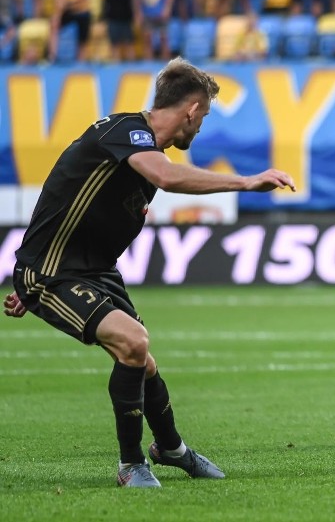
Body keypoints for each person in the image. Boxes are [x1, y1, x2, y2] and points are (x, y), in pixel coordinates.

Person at [2, 58, 296, 488]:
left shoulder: (144, 152)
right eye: (204, 118)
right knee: (133, 341)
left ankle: (171, 448)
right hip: (52, 273)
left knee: (143, 363)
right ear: (192, 111)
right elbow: (167, 176)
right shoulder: (125, 132)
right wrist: (247, 182)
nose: (199, 130)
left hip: (93, 273)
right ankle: (130, 464)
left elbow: (68, 198)